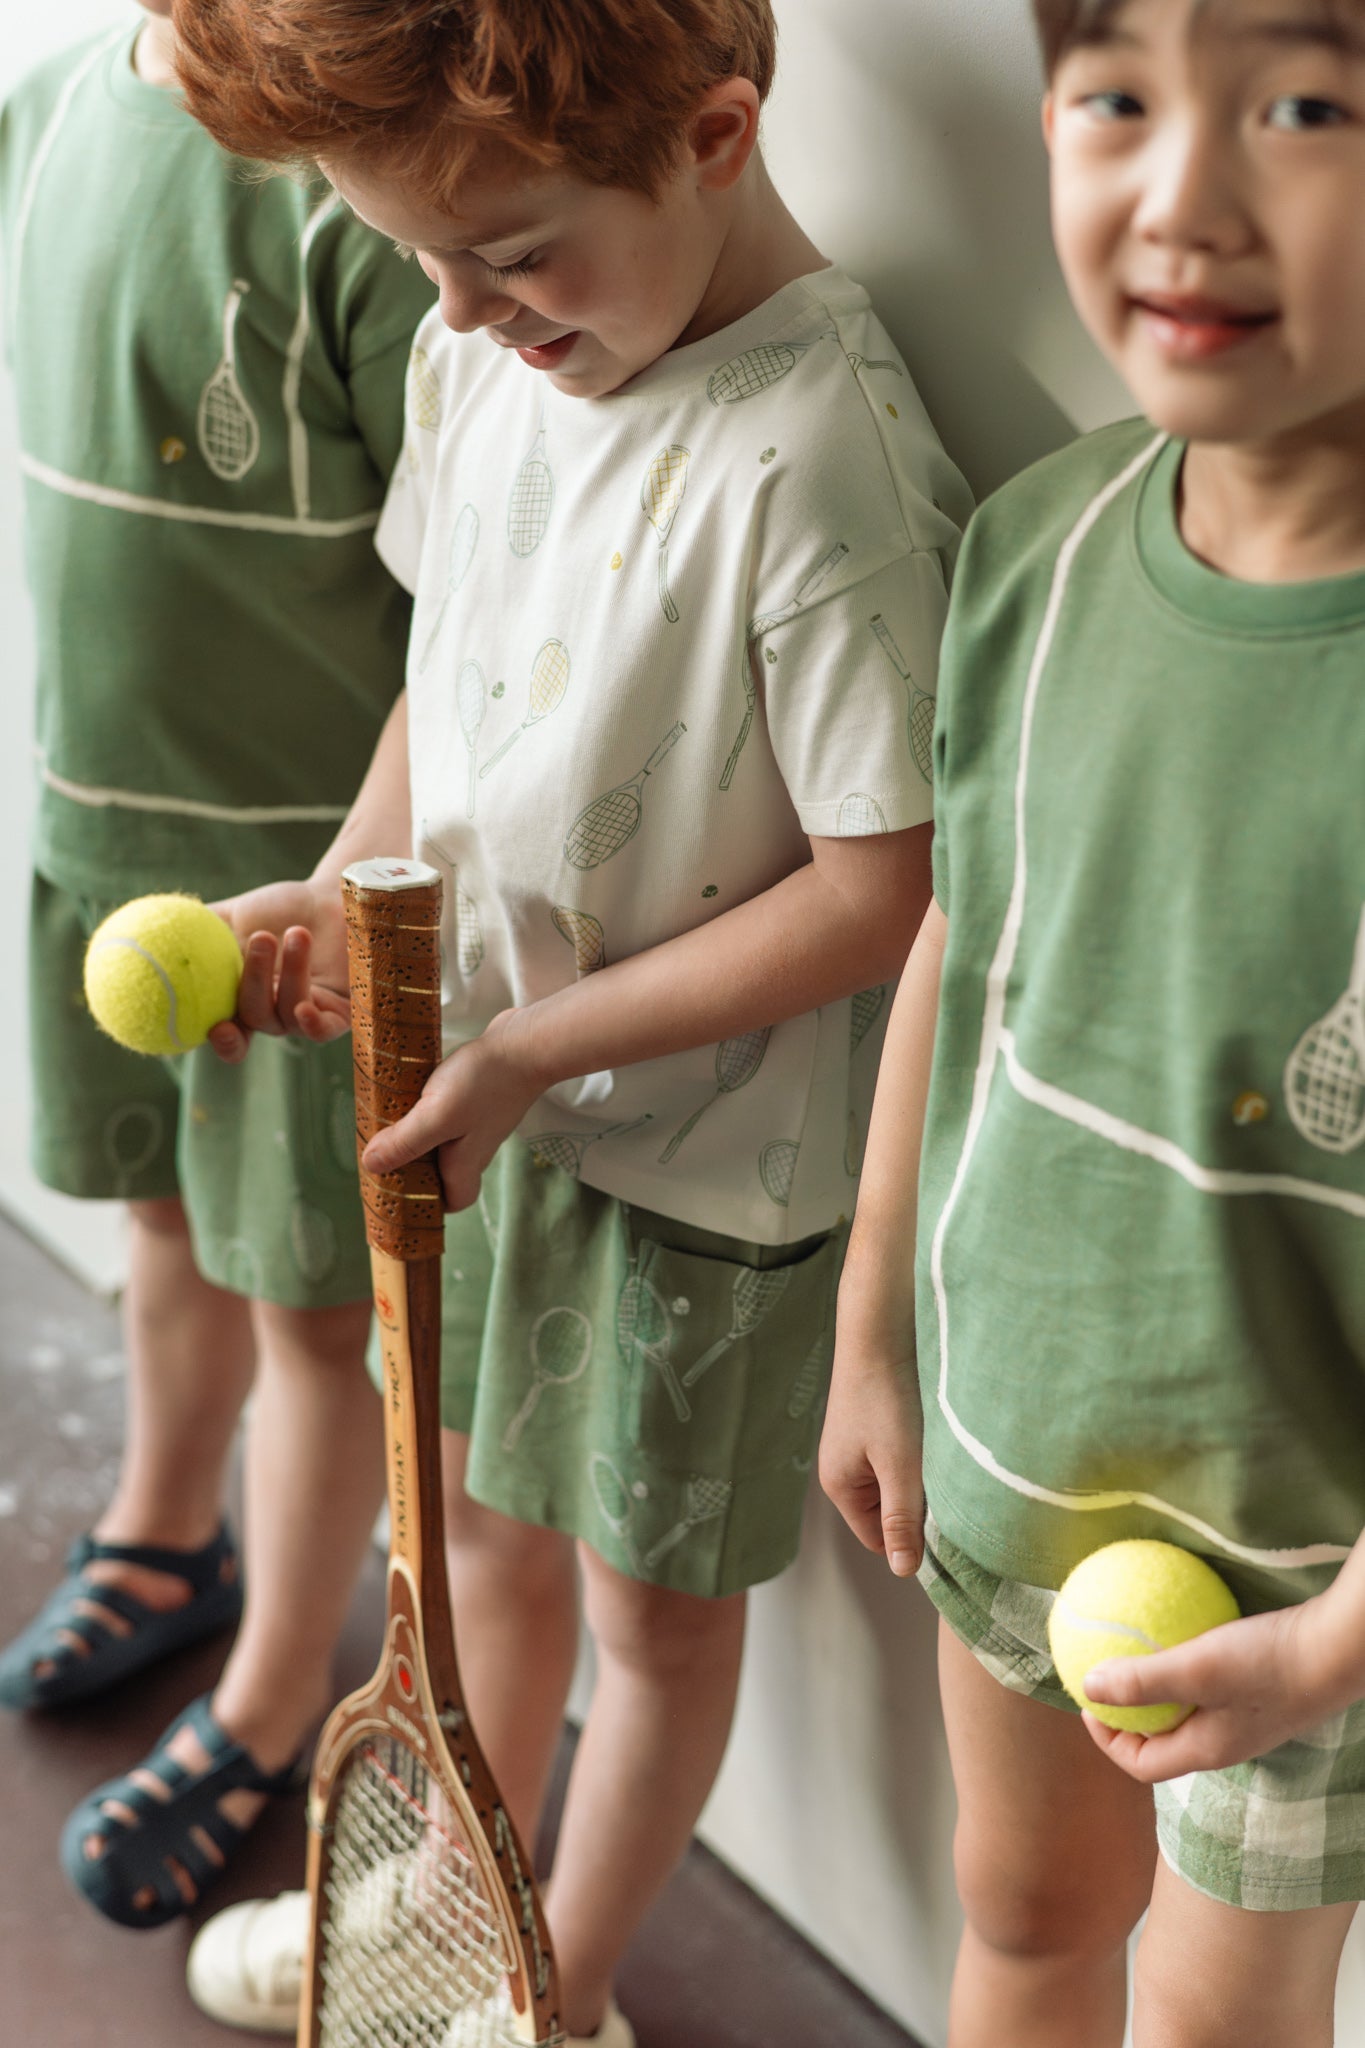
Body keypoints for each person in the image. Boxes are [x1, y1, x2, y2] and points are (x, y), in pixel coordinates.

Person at [166, 0, 972, 2038]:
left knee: (649, 1620)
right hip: (489, 1107)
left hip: (710, 1180)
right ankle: (457, 1904)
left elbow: (885, 890)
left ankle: (551, 1996)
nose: (458, 309)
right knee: (475, 1549)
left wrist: (532, 1045)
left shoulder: (826, 466)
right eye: (418, 260)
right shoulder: (481, 360)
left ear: (713, 135)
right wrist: (342, 882)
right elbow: (444, 680)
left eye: (511, 253)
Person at [820, 0, 1365, 2042]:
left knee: (1221, 2017)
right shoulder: (1033, 548)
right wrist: (873, 1324)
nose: (1179, 198)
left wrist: (1334, 1649)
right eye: (1116, 100)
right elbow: (964, 940)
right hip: (1017, 1453)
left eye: (1298, 105)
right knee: (1025, 1910)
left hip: (1315, 1574)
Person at [0, 0, 433, 1928]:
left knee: (309, 1322)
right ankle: (166, 1531)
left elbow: (454, 603)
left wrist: (345, 896)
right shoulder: (46, 109)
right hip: (93, 849)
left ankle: (269, 1699)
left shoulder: (357, 200)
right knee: (158, 1229)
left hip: (281, 925)